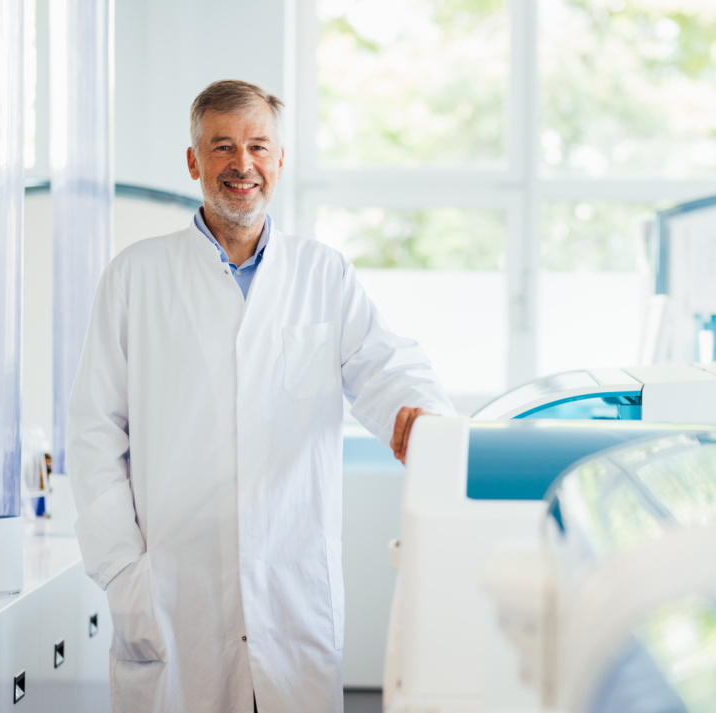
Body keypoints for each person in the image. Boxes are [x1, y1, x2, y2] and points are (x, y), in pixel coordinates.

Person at [67, 79, 454, 713]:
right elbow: (93, 434)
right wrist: (122, 575)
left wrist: (418, 414)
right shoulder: (135, 276)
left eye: (257, 146)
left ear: (279, 159)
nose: (241, 164)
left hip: (291, 587)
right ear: (194, 161)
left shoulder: (321, 274)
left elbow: (384, 364)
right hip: (174, 592)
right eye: (222, 146)